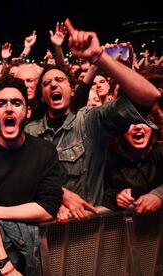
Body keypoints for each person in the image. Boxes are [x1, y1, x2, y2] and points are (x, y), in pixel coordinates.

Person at [25, 19, 161, 222]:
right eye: (46, 83)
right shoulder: (30, 132)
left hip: (91, 234)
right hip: (48, 237)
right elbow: (23, 180)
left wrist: (100, 57)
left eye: (60, 80)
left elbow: (148, 97)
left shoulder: (90, 121)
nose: (53, 84)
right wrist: (58, 198)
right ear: (42, 96)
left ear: (72, 90)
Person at [0, 75, 64, 275]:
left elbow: (48, 207)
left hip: (37, 246)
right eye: (1, 103)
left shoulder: (45, 151)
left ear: (27, 112)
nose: (9, 108)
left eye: (16, 103)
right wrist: (7, 268)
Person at [103, 123, 163, 214]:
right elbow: (98, 190)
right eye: (131, 122)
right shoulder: (107, 155)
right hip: (123, 225)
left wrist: (159, 195)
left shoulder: (160, 151)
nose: (138, 127)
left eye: (144, 122)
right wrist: (116, 197)